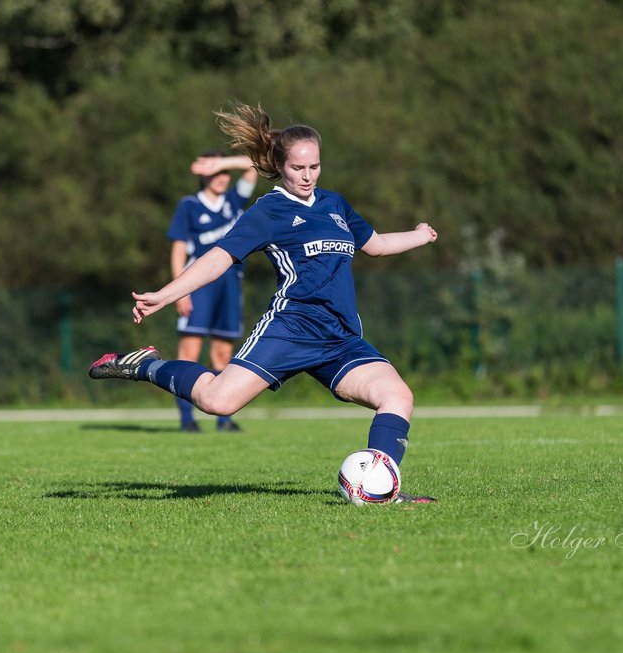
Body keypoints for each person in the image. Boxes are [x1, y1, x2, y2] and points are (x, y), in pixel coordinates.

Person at [89, 103, 438, 502]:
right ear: (281, 166)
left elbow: (375, 245)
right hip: (290, 329)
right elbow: (219, 258)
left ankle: (382, 487)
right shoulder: (269, 211)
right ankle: (146, 365)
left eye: (315, 167)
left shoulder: (335, 205)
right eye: (298, 168)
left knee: (398, 397)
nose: (307, 176)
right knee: (217, 402)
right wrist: (168, 294)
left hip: (340, 337)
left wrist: (418, 235)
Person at [167, 150, 258, 432]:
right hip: (199, 287)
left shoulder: (234, 202)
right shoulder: (190, 206)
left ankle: (224, 419)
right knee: (189, 353)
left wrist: (225, 162)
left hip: (230, 286)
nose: (221, 177)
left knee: (222, 354)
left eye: (224, 173)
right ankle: (186, 420)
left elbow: (255, 165)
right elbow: (179, 249)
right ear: (203, 174)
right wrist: (178, 290)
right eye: (215, 172)